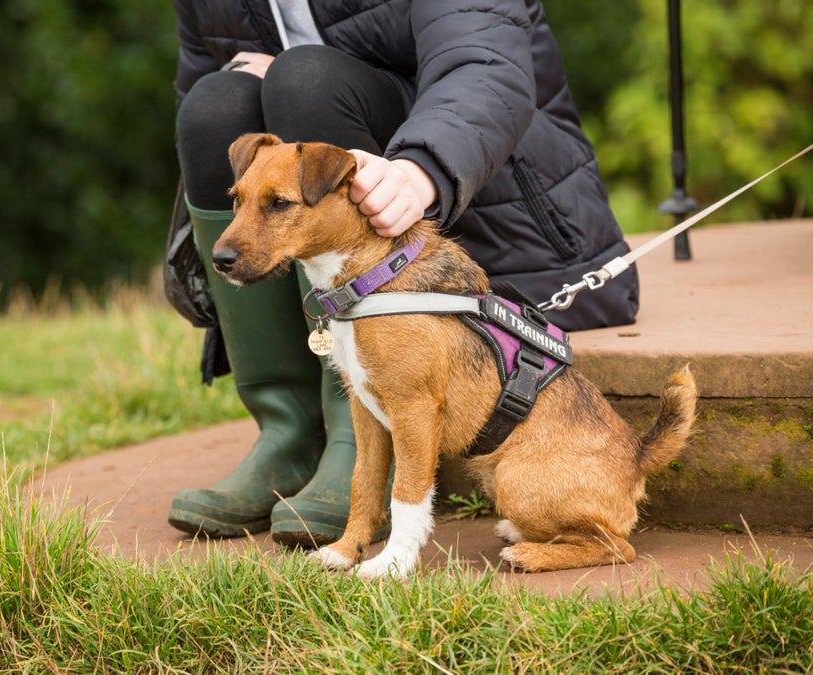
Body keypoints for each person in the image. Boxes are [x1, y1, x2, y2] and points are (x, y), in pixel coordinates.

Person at [166, 0, 639, 548]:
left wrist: (419, 171)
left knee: (305, 77)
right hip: (330, 235)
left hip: (491, 210)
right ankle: (289, 431)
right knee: (215, 101)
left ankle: (354, 439)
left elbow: (484, 63)